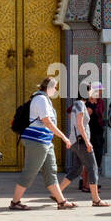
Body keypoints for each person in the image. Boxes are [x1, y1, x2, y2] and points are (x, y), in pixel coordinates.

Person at [10, 77, 75, 210]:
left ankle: (61, 201)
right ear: (49, 87)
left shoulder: (45, 100)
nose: (56, 90)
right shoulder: (40, 99)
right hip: (36, 140)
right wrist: (64, 137)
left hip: (45, 140)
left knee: (51, 171)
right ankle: (15, 202)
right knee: (30, 170)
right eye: (55, 87)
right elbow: (47, 121)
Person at [59, 89, 110, 207]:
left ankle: (57, 193)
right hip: (81, 141)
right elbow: (80, 124)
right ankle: (96, 199)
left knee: (76, 169)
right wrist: (88, 142)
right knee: (93, 168)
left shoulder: (76, 105)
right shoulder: (81, 105)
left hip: (75, 142)